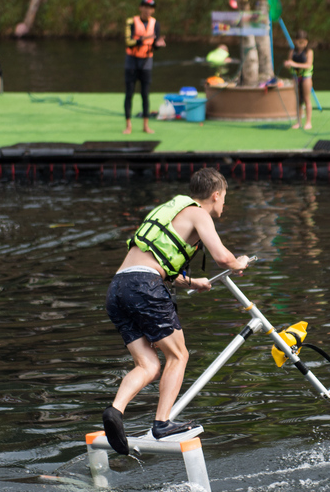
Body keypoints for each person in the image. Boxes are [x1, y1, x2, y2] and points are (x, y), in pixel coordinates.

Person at [103, 168, 250, 455]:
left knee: (149, 366)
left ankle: (114, 411)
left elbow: (155, 261)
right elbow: (222, 257)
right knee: (179, 354)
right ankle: (162, 423)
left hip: (118, 288)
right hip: (144, 286)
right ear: (216, 194)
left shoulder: (170, 209)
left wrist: (195, 282)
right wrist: (239, 262)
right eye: (224, 198)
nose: (224, 205)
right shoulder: (199, 213)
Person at [123, 0, 166, 135]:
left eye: (150, 8)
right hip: (132, 61)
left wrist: (158, 45)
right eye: (145, 7)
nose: (147, 10)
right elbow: (128, 41)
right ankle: (128, 125)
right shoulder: (131, 22)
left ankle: (146, 125)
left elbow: (154, 43)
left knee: (145, 94)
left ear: (153, 10)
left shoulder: (155, 24)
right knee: (129, 93)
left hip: (146, 62)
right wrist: (141, 40)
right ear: (140, 8)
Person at [284, 30, 314, 130]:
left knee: (306, 99)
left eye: (304, 42)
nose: (302, 44)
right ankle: (298, 122)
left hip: (305, 77)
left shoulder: (309, 52)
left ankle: (308, 122)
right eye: (300, 42)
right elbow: (290, 63)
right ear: (295, 41)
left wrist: (294, 64)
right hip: (296, 77)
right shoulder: (292, 52)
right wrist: (288, 65)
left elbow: (308, 65)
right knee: (298, 100)